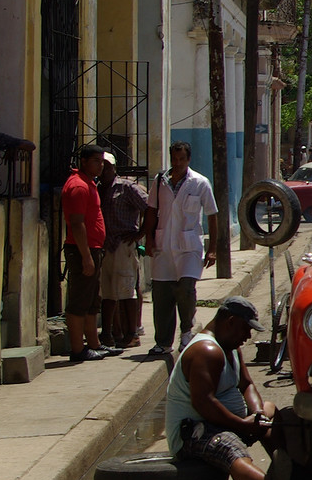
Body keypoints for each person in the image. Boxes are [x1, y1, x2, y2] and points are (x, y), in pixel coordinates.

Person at [164, 296, 291, 480]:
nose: (247, 336)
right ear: (230, 322)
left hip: (229, 421)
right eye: (245, 329)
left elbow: (247, 384)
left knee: (269, 409)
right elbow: (204, 403)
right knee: (229, 448)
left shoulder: (230, 347)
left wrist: (257, 413)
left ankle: (284, 464)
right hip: (196, 431)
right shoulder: (206, 351)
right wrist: (242, 424)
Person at [145, 141, 219, 357]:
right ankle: (163, 342)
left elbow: (212, 215)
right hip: (163, 245)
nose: (177, 164)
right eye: (174, 159)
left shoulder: (200, 183)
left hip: (189, 246)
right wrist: (149, 239)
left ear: (188, 160)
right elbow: (151, 210)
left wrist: (212, 248)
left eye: (181, 159)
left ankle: (187, 329)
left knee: (186, 288)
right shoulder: (160, 182)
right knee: (162, 296)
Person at [62, 143, 114, 362]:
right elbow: (77, 223)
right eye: (96, 161)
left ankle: (94, 344)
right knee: (78, 302)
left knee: (93, 300)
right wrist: (85, 257)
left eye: (102, 161)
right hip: (83, 250)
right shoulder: (79, 186)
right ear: (84, 161)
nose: (100, 165)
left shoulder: (89, 183)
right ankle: (77, 349)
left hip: (94, 249)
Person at [98, 153, 149, 349]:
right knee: (108, 291)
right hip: (106, 245)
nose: (104, 170)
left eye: (107, 166)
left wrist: (141, 234)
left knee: (127, 291)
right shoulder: (98, 189)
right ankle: (109, 333)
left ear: (114, 168)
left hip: (124, 244)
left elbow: (149, 207)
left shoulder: (126, 187)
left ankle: (132, 333)